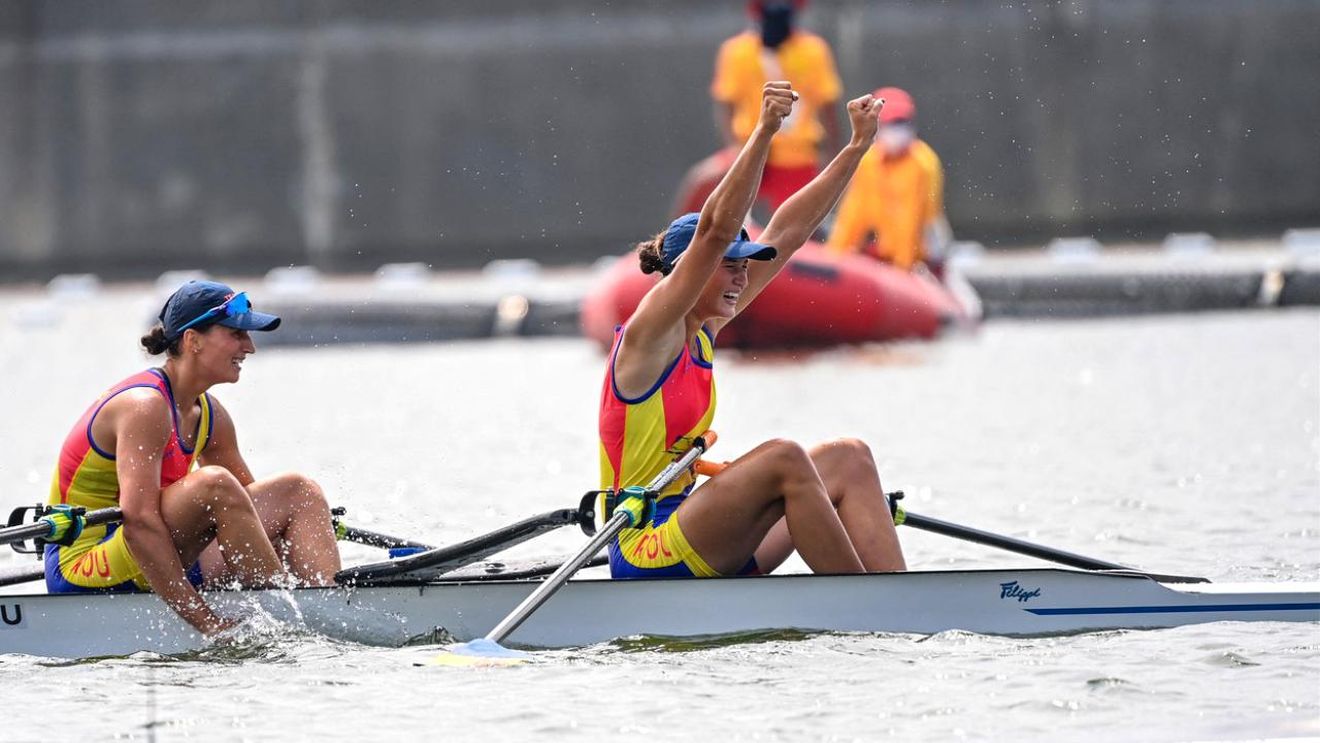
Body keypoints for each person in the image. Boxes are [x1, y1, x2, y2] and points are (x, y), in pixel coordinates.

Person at [600, 81, 906, 580]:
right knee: (783, 458)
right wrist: (765, 131)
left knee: (850, 459)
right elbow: (715, 231)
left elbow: (786, 233)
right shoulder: (650, 331)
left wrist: (856, 147)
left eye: (745, 265)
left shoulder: (707, 327)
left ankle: (901, 598)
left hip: (693, 528)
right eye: (729, 265)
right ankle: (867, 605)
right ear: (689, 271)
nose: (743, 275)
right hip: (643, 546)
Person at [44, 280, 341, 636]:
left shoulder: (210, 414)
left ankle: (330, 610)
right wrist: (207, 623)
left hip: (163, 550)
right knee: (214, 484)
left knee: (299, 492)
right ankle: (291, 621)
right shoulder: (144, 406)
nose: (250, 347)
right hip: (87, 564)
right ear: (192, 340)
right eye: (236, 334)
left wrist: (299, 536)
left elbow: (249, 517)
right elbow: (139, 523)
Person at [671, 0, 842, 217]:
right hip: (748, 148)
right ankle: (674, 242)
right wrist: (734, 147)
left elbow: (828, 106)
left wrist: (831, 155)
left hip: (797, 154)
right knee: (700, 180)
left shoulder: (813, 50)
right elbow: (726, 103)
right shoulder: (737, 51)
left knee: (797, 219)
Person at [826, 86, 953, 276]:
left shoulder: (922, 163)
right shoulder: (868, 162)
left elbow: (922, 219)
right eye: (892, 123)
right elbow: (853, 214)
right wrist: (834, 257)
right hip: (878, 256)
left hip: (915, 262)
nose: (897, 130)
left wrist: (909, 268)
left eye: (901, 122)